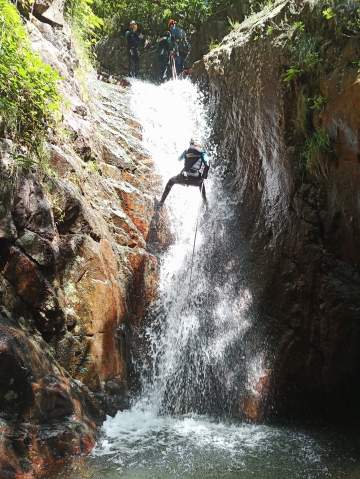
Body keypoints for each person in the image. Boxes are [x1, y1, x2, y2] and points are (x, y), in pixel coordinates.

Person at [157, 139, 210, 208]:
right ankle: (206, 204)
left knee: (171, 181)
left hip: (184, 178)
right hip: (195, 180)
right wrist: (204, 176)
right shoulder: (202, 152)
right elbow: (207, 164)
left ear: (191, 144)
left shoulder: (186, 150)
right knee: (201, 184)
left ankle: (161, 203)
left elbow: (179, 159)